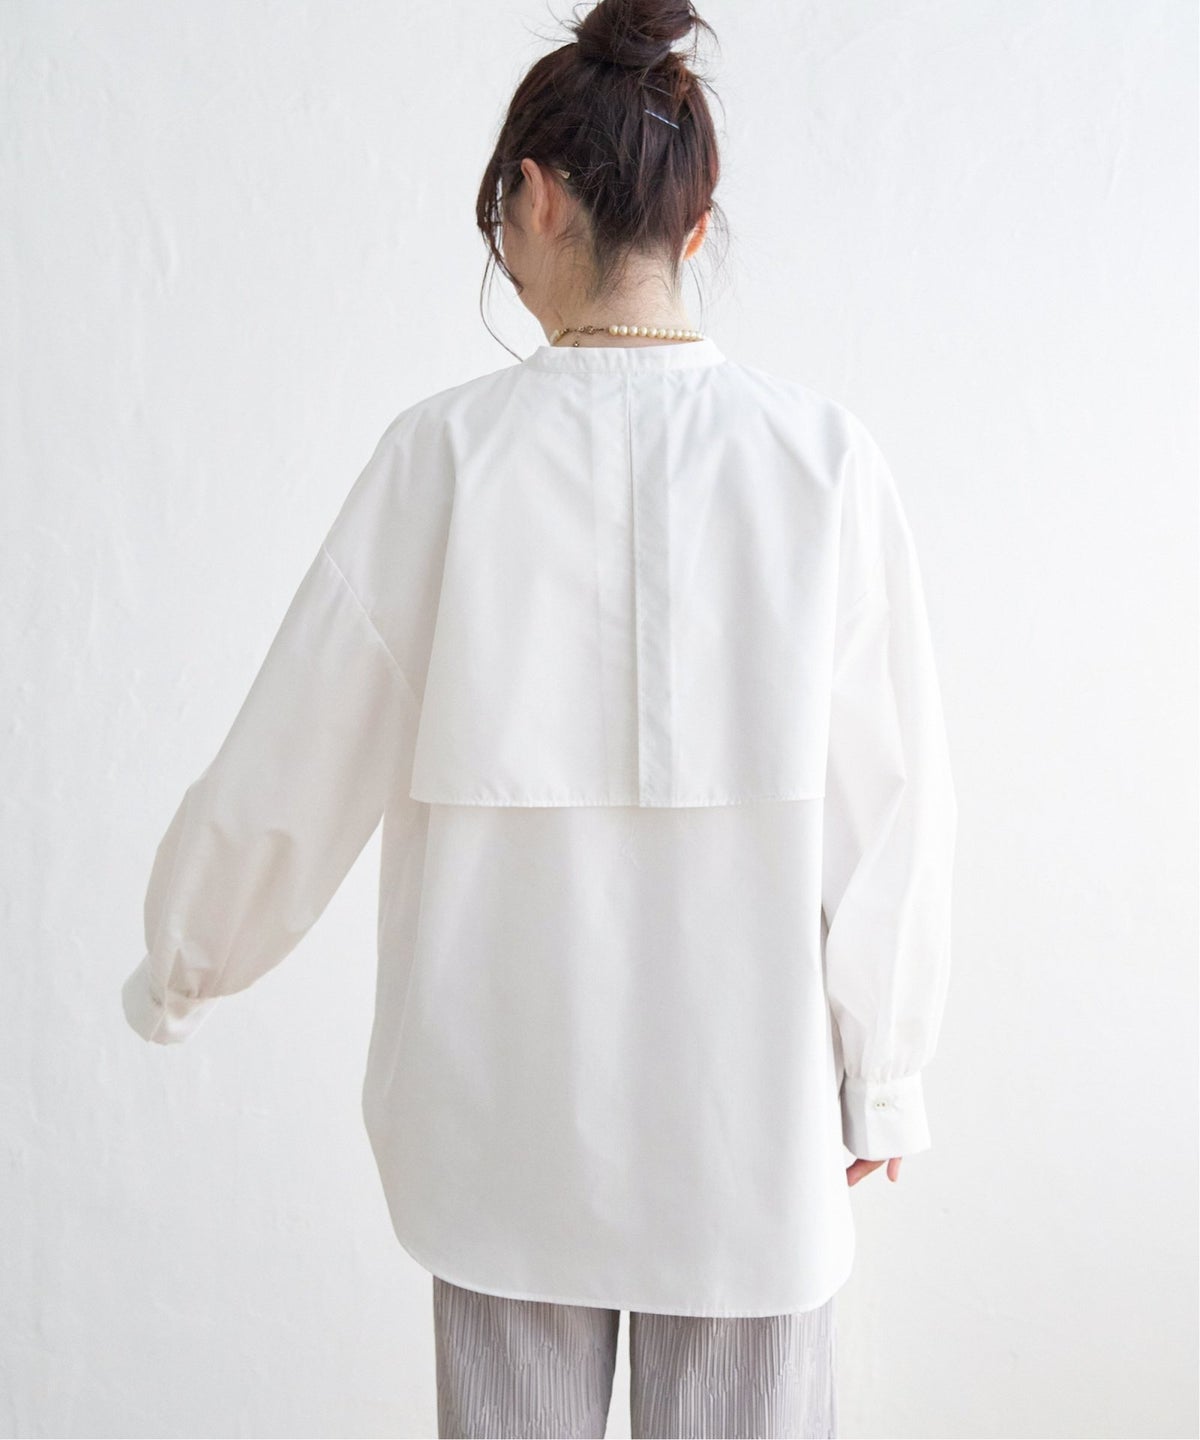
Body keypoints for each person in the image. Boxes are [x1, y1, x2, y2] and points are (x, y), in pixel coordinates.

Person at [120, 0, 959, 1436]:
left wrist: (185, 963)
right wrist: (882, 1076)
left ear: (537, 196)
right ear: (696, 227)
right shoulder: (823, 464)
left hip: (499, 1132)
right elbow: (898, 806)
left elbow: (294, 757)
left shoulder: (442, 459)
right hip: (749, 1135)